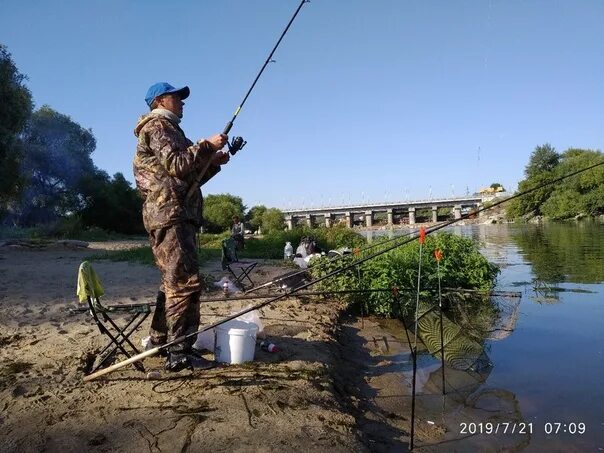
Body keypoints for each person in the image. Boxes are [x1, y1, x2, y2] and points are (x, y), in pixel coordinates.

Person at [133, 82, 229, 371]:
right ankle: (179, 354)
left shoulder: (168, 129)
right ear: (161, 100)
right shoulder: (159, 126)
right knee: (185, 284)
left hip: (172, 212)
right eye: (178, 97)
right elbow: (176, 164)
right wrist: (206, 146)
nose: (183, 102)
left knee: (172, 282)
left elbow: (186, 178)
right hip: (171, 215)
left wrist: (212, 162)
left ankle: (160, 339)